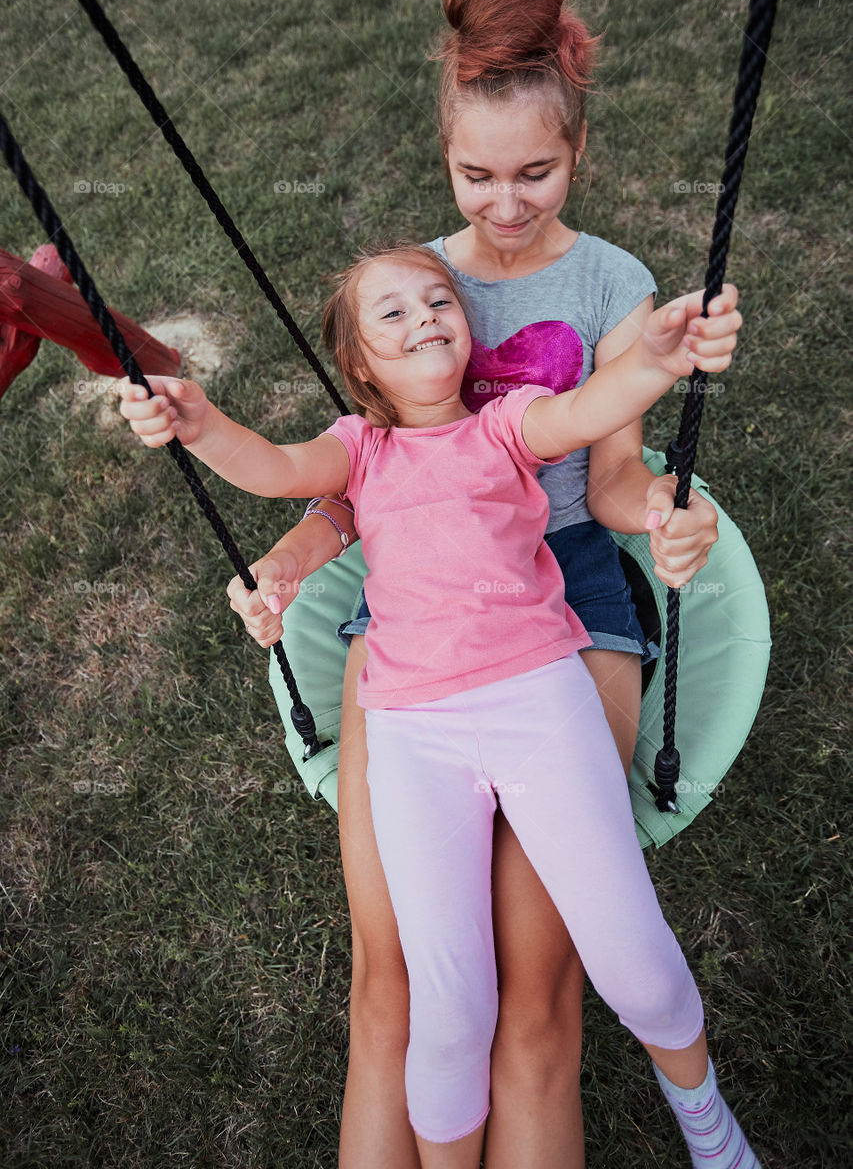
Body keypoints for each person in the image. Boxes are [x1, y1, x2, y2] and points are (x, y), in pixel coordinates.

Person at [226, 0, 736, 1169]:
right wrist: (294, 551)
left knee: (539, 984)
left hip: (564, 595)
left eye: (536, 174)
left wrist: (671, 511)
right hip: (412, 627)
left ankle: (702, 1117)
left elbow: (608, 476)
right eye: (475, 175)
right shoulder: (412, 289)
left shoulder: (615, 282)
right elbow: (363, 479)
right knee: (394, 986)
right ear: (445, 160)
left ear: (576, 155)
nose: (503, 205)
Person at [119, 239, 751, 1169]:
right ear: (362, 367)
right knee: (448, 1009)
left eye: (438, 301)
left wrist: (655, 358)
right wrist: (199, 418)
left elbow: (588, 407)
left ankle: (703, 1117)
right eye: (393, 313)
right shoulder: (358, 450)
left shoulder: (507, 423)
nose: (424, 318)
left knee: (633, 963)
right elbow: (270, 467)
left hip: (542, 703)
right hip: (414, 738)